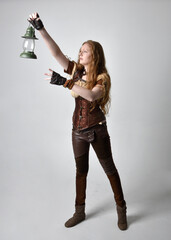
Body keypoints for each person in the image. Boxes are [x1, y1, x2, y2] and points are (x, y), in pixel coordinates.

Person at [28, 12, 128, 231]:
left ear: (95, 56)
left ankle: (121, 209)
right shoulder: (77, 71)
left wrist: (64, 83)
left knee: (109, 168)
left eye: (85, 51)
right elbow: (57, 53)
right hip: (78, 131)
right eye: (80, 50)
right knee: (80, 172)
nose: (80, 53)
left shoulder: (102, 77)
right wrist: (40, 29)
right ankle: (79, 212)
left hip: (97, 129)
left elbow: (91, 96)